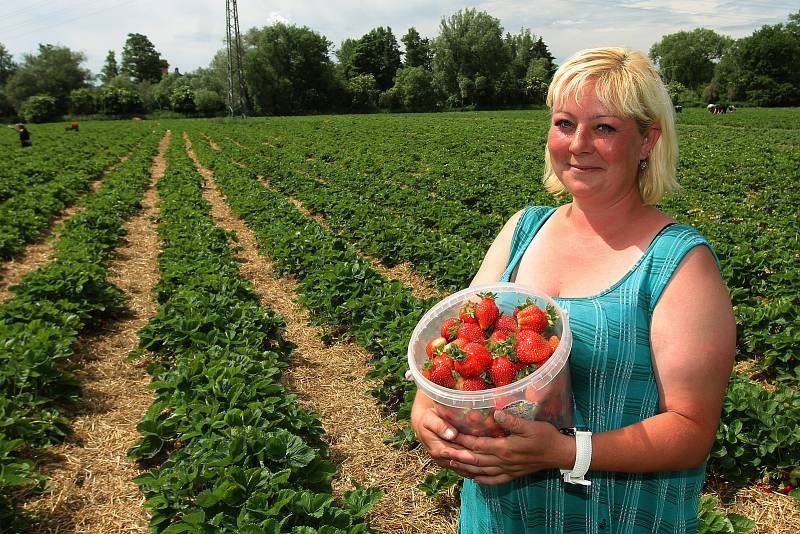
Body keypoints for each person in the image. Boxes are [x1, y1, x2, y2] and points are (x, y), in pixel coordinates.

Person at [410, 47, 735, 533]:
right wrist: (427, 413)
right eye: (565, 123)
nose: (579, 143)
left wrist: (567, 450)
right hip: (500, 518)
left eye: (604, 128)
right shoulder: (522, 230)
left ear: (647, 140)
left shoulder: (678, 262)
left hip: (612, 518)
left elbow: (691, 429)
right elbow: (457, 341)